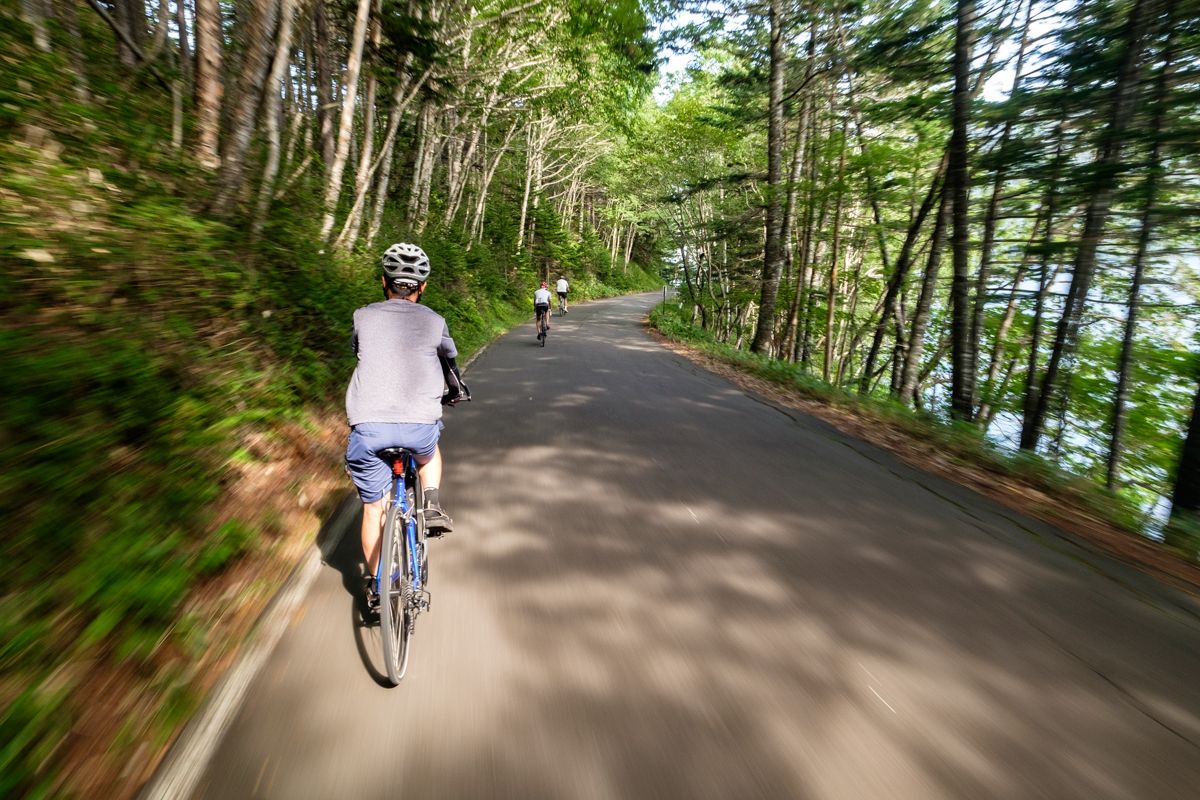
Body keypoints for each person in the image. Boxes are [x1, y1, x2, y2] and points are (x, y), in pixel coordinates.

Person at [345, 242, 468, 609]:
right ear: (422, 286)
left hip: (369, 428)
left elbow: (359, 350)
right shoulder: (434, 320)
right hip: (418, 426)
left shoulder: (362, 316)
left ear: (383, 282)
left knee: (373, 509)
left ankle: (380, 584)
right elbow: (449, 359)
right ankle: (430, 502)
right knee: (429, 455)